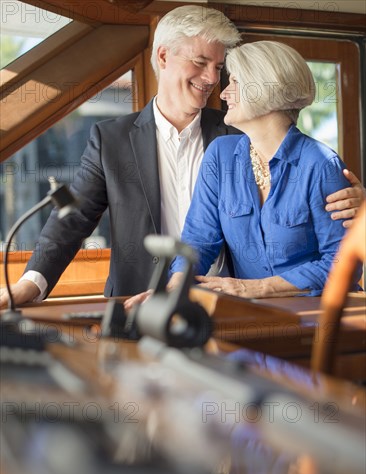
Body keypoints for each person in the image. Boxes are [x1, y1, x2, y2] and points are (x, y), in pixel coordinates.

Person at [0, 7, 363, 309]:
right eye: (201, 62)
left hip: (235, 308)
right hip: (144, 300)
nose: (213, 81)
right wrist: (31, 283)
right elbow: (73, 219)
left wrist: (361, 209)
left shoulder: (244, 133)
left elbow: (339, 252)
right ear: (163, 56)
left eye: (219, 68)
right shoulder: (110, 138)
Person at [165, 41, 363, 299]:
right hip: (249, 316)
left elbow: (343, 264)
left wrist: (257, 287)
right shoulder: (220, 155)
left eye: (234, 83)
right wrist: (172, 288)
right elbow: (198, 240)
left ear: (264, 90)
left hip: (318, 318)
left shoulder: (321, 164)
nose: (224, 94)